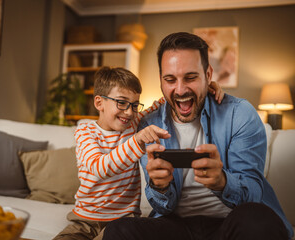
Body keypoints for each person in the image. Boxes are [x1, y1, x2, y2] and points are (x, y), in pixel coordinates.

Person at [102, 32, 293, 240]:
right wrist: (159, 187)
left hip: (230, 224)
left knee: (260, 222)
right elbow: (161, 206)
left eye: (191, 77)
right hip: (176, 227)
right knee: (118, 231)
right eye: (170, 79)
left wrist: (222, 181)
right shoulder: (149, 124)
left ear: (208, 75)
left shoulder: (240, 114)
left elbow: (254, 194)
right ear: (160, 80)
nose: (181, 89)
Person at [53, 66, 224, 240]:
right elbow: (100, 168)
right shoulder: (85, 131)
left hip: (123, 221)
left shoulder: (133, 123)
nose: (129, 112)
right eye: (121, 102)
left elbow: (163, 102)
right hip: (85, 220)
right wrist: (137, 140)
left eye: (135, 105)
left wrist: (203, 89)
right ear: (99, 103)